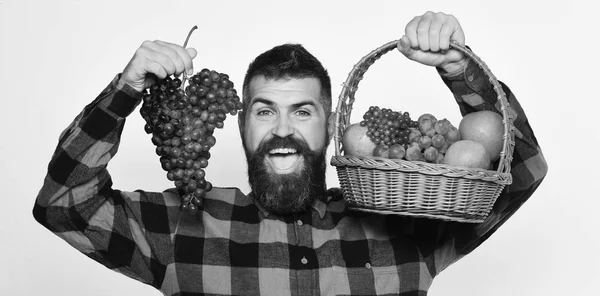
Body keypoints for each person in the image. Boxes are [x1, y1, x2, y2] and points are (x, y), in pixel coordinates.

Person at [33, 11, 547, 295]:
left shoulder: (406, 225)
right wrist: (125, 90)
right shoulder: (179, 227)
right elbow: (63, 205)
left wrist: (459, 69)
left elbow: (520, 171)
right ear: (240, 124)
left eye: (302, 112)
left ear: (332, 125)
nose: (283, 130)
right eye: (264, 111)